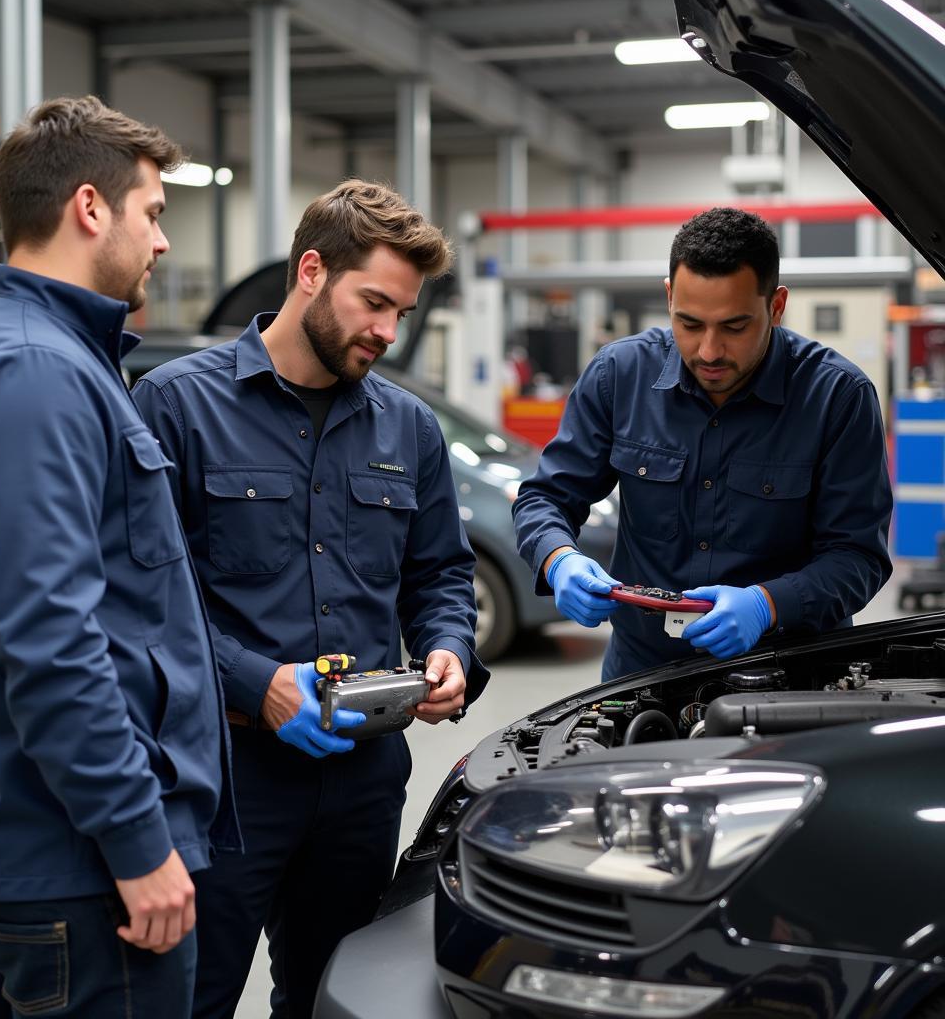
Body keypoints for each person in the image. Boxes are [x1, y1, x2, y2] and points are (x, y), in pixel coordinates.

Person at [131, 178, 490, 1019]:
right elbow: (148, 601)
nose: (386, 333)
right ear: (311, 271)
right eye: (373, 303)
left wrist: (448, 649)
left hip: (362, 781)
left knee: (337, 1000)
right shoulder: (176, 407)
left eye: (401, 313)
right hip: (223, 778)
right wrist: (259, 683)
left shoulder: (410, 429)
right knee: (192, 997)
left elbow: (440, 573)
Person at [0, 96, 239, 1017]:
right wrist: (139, 843)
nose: (163, 243)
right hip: (82, 865)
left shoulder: (42, 356)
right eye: (154, 213)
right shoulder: (33, 373)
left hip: (49, 853)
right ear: (90, 208)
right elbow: (50, 641)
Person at [513, 207, 892, 682]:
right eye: (689, 324)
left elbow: (858, 558)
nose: (709, 350)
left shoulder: (836, 397)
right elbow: (545, 497)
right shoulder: (619, 376)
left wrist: (768, 604)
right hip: (643, 672)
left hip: (787, 673)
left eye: (734, 327)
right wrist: (558, 559)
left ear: (776, 306)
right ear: (669, 296)